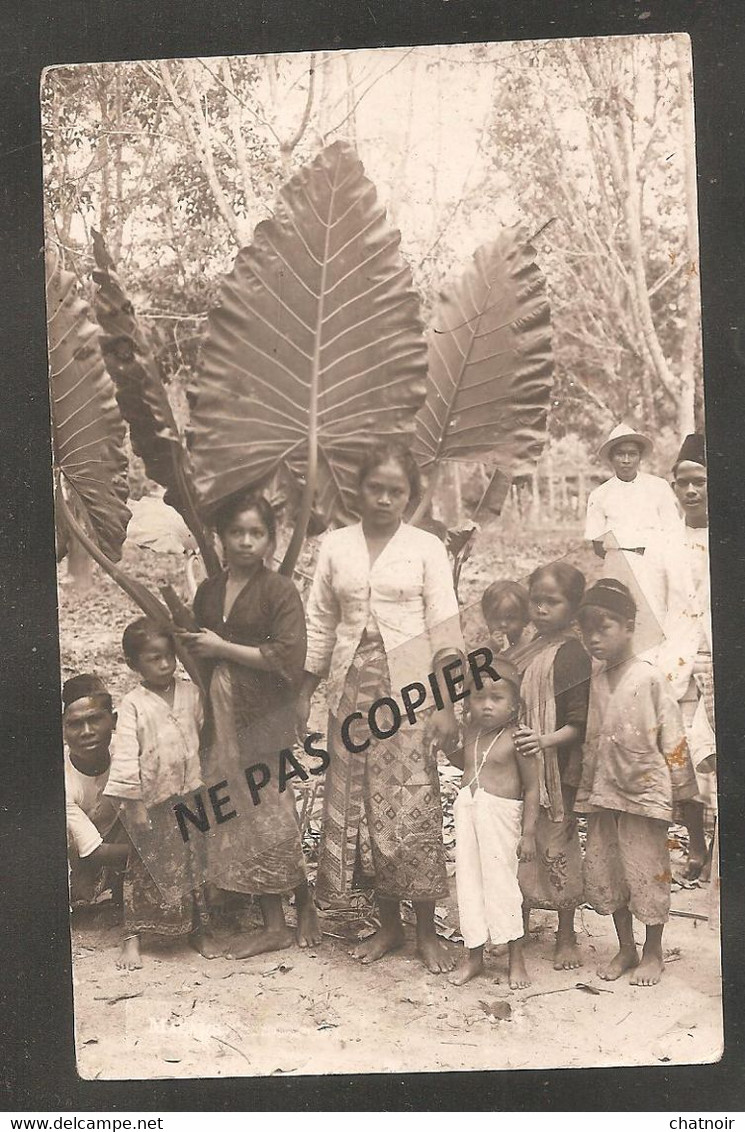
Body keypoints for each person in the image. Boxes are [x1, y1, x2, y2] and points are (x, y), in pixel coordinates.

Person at [297, 441, 463, 974]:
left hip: (408, 693)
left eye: (397, 491)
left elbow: (444, 627)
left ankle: (425, 932)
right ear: (358, 491)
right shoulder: (335, 545)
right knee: (367, 811)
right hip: (349, 692)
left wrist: (445, 705)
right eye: (376, 489)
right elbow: (320, 623)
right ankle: (389, 929)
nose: (386, 499)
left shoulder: (425, 547)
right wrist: (306, 692)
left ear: (410, 496)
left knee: (411, 807)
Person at [184, 492, 320, 958]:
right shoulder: (209, 590)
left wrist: (222, 648)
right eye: (236, 532)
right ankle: (289, 909)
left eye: (256, 533)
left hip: (262, 713)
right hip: (219, 716)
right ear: (220, 538)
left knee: (269, 812)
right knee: (239, 810)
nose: (246, 542)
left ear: (270, 538)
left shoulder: (278, 590)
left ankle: (283, 919)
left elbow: (285, 655)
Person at [576, 579, 699, 985]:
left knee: (647, 872)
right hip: (603, 792)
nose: (594, 638)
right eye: (587, 629)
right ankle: (625, 948)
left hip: (643, 793)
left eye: (604, 627)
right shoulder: (595, 678)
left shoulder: (649, 677)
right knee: (608, 873)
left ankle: (653, 951)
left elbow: (674, 738)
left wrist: (683, 795)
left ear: (629, 627)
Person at [104, 619, 218, 969]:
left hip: (190, 795)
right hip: (152, 802)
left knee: (194, 864)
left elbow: (200, 733)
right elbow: (124, 757)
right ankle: (132, 938)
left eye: (170, 656)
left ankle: (199, 931)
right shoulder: (133, 705)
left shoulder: (191, 693)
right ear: (133, 663)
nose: (166, 664)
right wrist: (134, 803)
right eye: (155, 658)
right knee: (144, 868)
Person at [508, 562, 591, 970]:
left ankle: (565, 932)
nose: (541, 609)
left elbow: (579, 723)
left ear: (573, 609)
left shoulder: (573, 654)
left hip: (556, 767)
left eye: (552, 602)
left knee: (556, 846)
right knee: (519, 844)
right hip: (519, 761)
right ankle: (516, 927)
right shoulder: (525, 647)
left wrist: (542, 741)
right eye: (535, 600)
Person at [644, 433, 715, 880]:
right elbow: (652, 607)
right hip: (677, 661)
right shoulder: (662, 542)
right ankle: (696, 843)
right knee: (681, 757)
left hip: (719, 656)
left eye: (700, 482)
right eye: (682, 483)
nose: (690, 491)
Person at [445, 656, 539, 988]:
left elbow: (531, 789)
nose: (487, 705)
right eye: (479, 697)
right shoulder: (471, 731)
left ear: (514, 706)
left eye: (497, 698)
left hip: (500, 817)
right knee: (469, 884)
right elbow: (465, 764)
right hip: (469, 811)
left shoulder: (519, 739)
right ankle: (474, 958)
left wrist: (528, 835)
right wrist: (446, 745)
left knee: (502, 887)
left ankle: (516, 959)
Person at [584, 423, 681, 585]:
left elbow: (673, 531)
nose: (626, 460)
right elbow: (598, 545)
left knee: (654, 609)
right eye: (620, 454)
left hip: (654, 564)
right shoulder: (599, 495)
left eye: (632, 454)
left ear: (640, 457)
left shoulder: (659, 487)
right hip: (616, 566)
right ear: (611, 457)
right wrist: (621, 555)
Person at [63, 674, 129, 905]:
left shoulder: (128, 750)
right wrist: (152, 853)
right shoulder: (64, 780)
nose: (87, 731)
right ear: (62, 729)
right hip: (83, 850)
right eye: (75, 724)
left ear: (113, 720)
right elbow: (94, 851)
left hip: (119, 832)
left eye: (95, 719)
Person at [481, 580, 534, 653]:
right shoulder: (485, 648)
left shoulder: (530, 648)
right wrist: (490, 648)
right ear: (486, 619)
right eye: (496, 618)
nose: (503, 624)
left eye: (511, 618)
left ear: (525, 619)